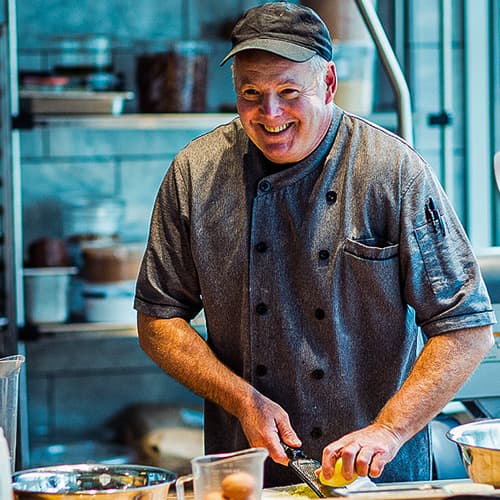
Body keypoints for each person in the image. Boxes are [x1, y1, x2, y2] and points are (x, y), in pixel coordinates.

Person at [134, 1, 495, 488]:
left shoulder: (392, 172)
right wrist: (242, 399)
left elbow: (466, 328)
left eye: (288, 92)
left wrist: (389, 430)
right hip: (247, 473)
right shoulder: (196, 174)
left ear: (328, 83)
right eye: (251, 94)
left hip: (380, 477)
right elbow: (158, 319)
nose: (270, 113)